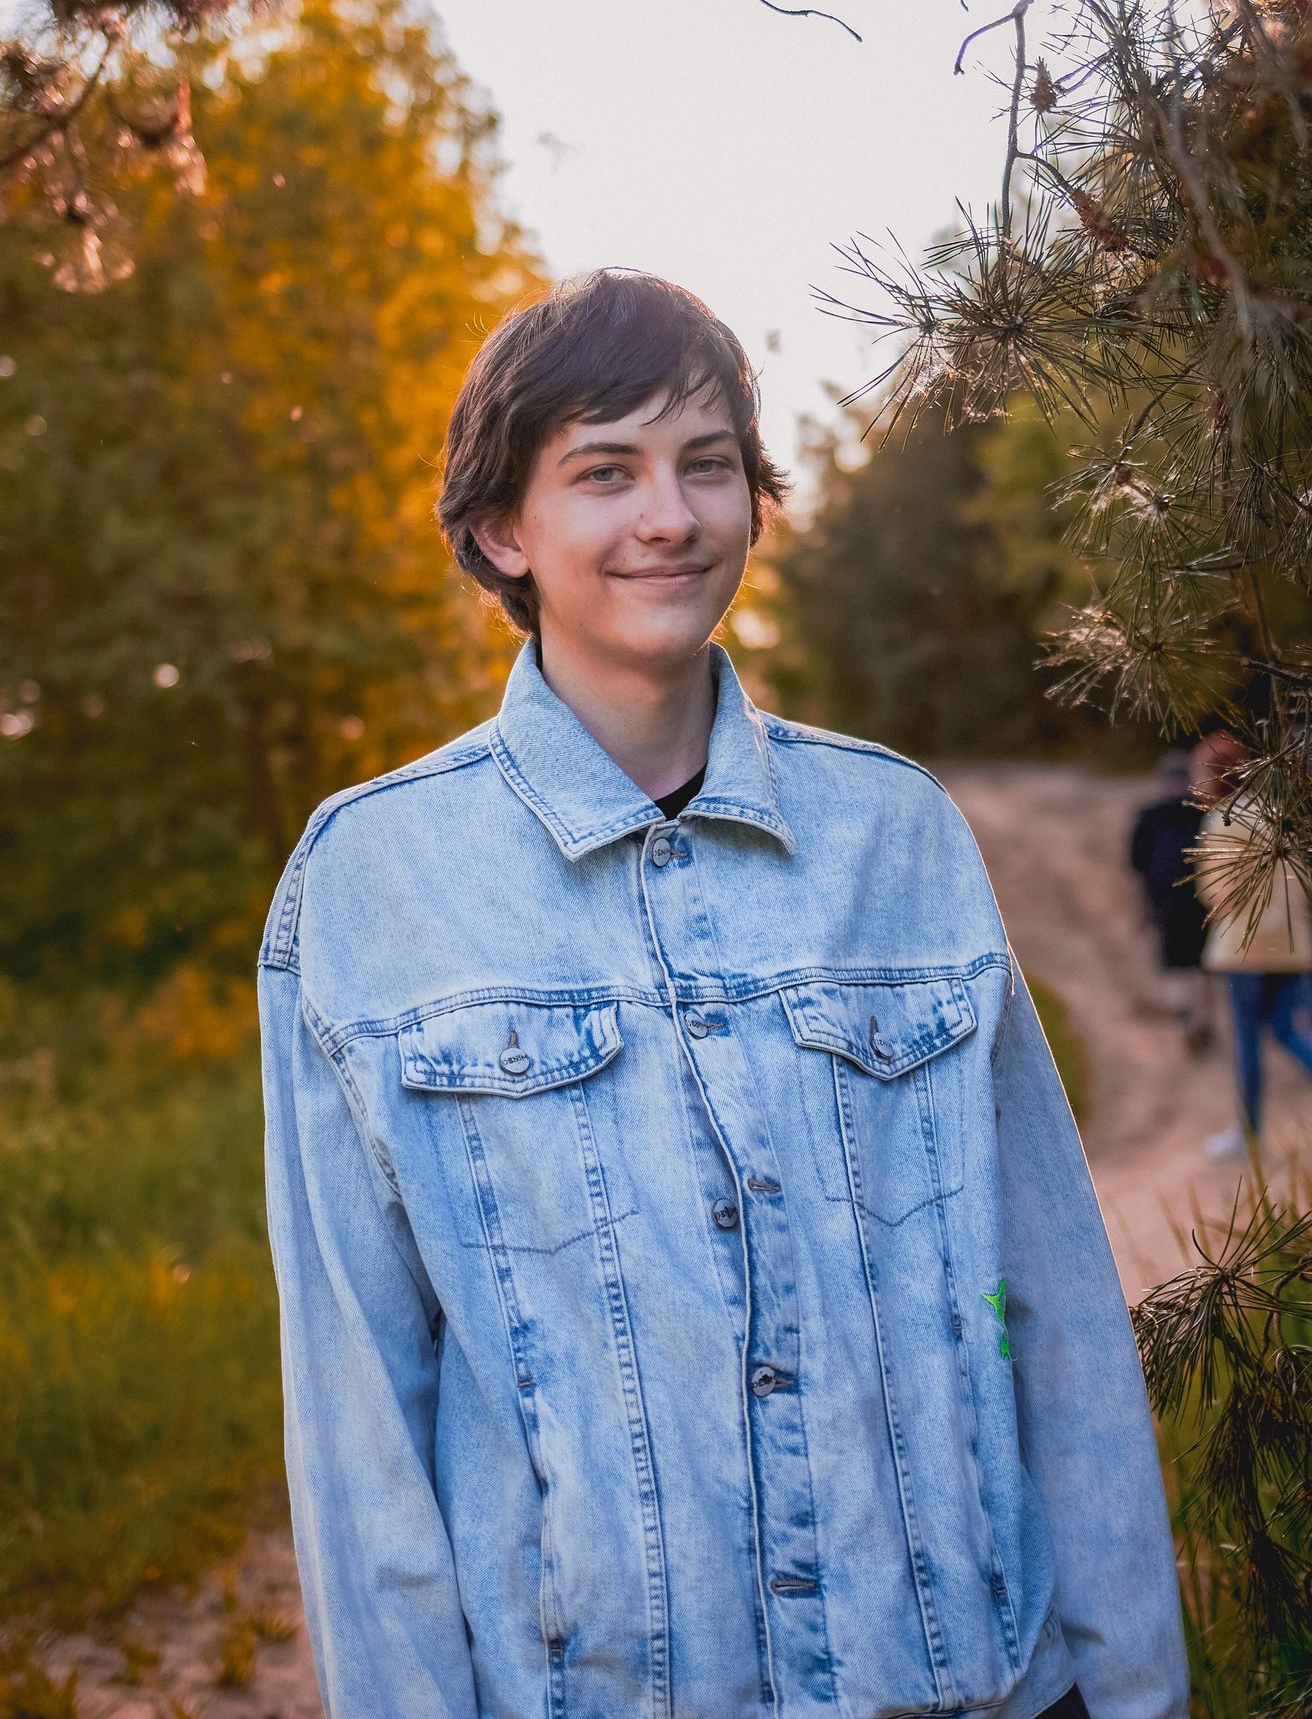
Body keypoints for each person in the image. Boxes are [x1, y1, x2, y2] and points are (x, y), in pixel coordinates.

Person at [258, 270, 1188, 1719]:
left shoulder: (898, 835)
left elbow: (1049, 1310)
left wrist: (1134, 1688)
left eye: (707, 466)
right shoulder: (374, 882)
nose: (670, 518)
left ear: (755, 500)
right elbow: (363, 1424)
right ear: (504, 526)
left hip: (973, 1691)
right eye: (605, 473)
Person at [1194, 735, 1312, 1160]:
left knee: (1246, 1040)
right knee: (1287, 1029)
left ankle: (1248, 1134)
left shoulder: (1221, 821)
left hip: (1243, 949)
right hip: (1292, 943)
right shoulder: (1273, 815)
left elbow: (1215, 891)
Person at [1128, 752, 1212, 1051]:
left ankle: (1187, 1015)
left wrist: (1141, 908)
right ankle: (1201, 1020)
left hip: (1164, 900)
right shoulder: (1203, 813)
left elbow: (1138, 865)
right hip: (1201, 899)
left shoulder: (1150, 814)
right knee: (1201, 963)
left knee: (1173, 962)